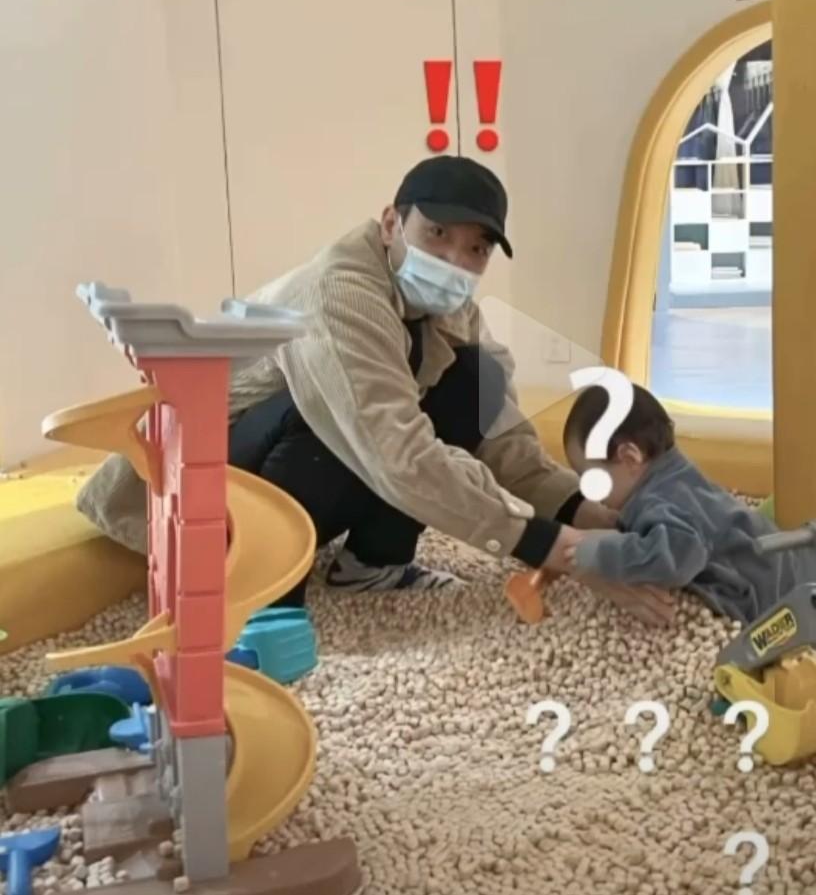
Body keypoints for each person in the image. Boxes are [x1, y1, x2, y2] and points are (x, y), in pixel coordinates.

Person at [76, 156, 673, 623]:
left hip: (281, 466)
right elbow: (397, 453)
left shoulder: (450, 306)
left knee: (474, 379)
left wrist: (586, 514)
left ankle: (371, 565)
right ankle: (264, 587)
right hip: (192, 490)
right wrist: (554, 547)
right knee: (333, 410)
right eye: (436, 233)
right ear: (391, 224)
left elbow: (500, 434)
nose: (454, 259)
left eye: (476, 248)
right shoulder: (340, 294)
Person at [559, 382, 799, 622]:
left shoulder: (659, 500)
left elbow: (680, 555)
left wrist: (603, 553)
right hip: (777, 564)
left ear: (630, 458)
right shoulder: (675, 474)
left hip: (766, 600)